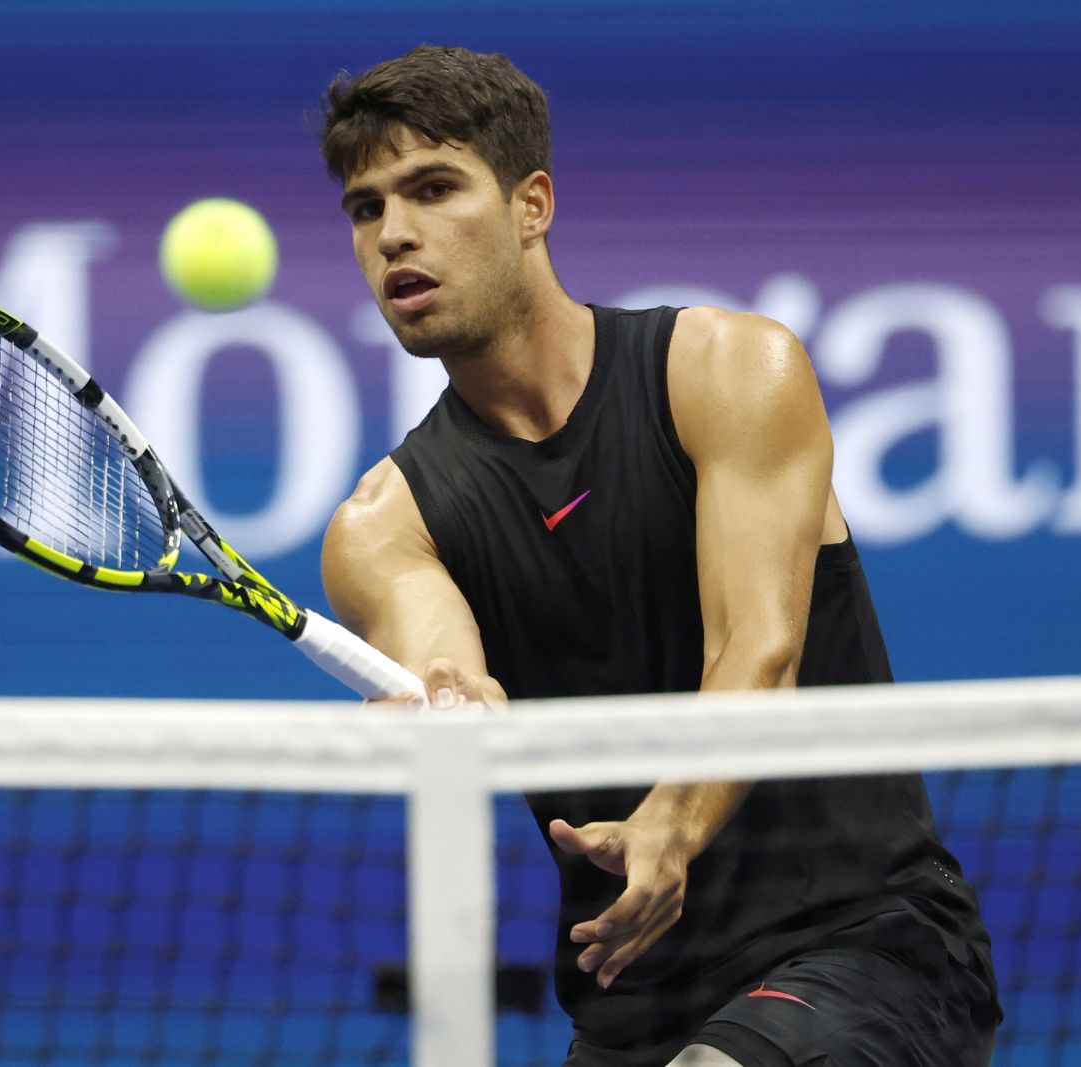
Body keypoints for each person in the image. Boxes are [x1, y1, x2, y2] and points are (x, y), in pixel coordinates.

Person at [316, 46, 1003, 1067]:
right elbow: (447, 661)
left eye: (432, 188)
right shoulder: (383, 521)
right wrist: (456, 713)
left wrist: (669, 826)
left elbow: (755, 649)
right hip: (632, 1003)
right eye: (366, 208)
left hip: (865, 945)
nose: (395, 234)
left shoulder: (726, 371)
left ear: (530, 204)